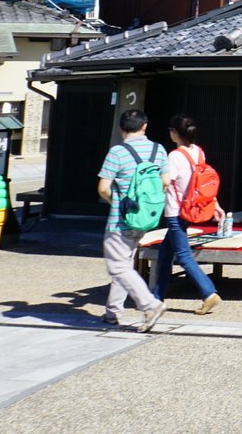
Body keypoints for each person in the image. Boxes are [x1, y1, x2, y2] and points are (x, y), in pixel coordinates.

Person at [96, 108, 168, 331]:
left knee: (118, 266)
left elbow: (103, 188)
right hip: (147, 217)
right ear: (144, 126)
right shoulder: (159, 149)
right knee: (125, 264)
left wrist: (116, 203)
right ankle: (113, 312)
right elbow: (165, 181)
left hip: (121, 219)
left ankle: (150, 305)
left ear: (121, 128)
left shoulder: (117, 152)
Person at [155, 113, 223, 315]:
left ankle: (209, 293)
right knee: (165, 253)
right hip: (193, 208)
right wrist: (215, 204)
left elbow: (166, 182)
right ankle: (156, 298)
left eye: (171, 130)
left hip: (177, 210)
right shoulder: (199, 152)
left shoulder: (175, 156)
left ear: (175, 133)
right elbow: (203, 184)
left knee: (184, 255)